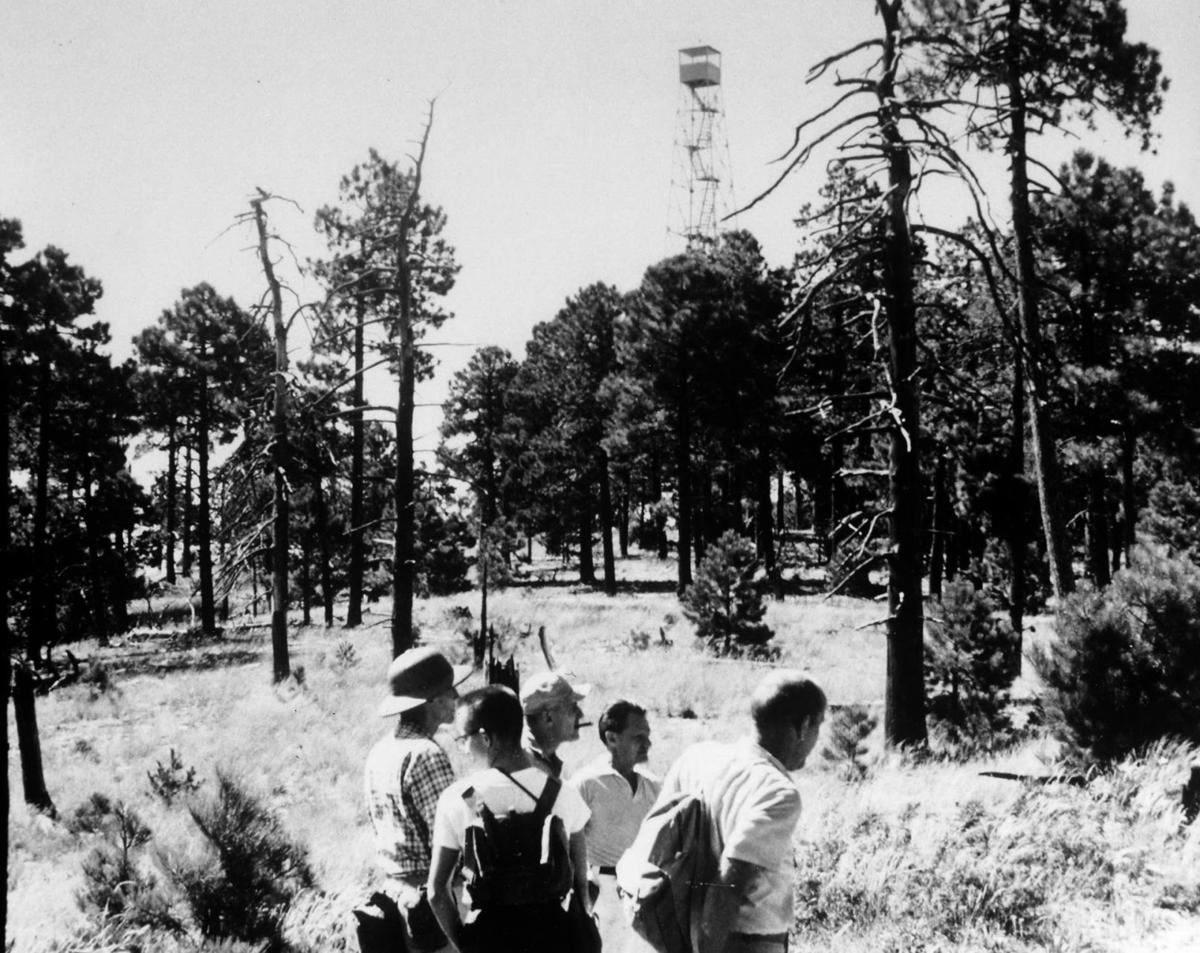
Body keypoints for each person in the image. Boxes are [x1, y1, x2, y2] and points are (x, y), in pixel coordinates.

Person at [658, 671, 825, 953]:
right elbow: (728, 888)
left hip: (679, 932)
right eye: (818, 726)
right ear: (804, 726)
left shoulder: (696, 758)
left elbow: (656, 844)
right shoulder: (778, 792)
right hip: (741, 942)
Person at [427, 685, 593, 953]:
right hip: (556, 938)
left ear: (485, 738)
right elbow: (581, 883)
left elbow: (436, 891)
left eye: (462, 739)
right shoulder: (562, 793)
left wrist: (466, 943)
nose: (463, 749)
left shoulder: (461, 798)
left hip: (490, 938)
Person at [361, 647, 466, 952]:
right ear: (430, 700)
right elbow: (454, 838)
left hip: (397, 897)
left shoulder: (380, 751)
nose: (457, 696)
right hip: (435, 901)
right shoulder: (427, 755)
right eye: (450, 691)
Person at [571, 700, 661, 953]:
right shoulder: (586, 784)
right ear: (612, 739)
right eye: (638, 737)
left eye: (648, 736)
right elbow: (568, 843)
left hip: (644, 894)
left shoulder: (654, 786)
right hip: (603, 893)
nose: (647, 744)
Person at [519, 670, 590, 779]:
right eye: (572, 708)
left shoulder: (550, 763)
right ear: (548, 717)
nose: (580, 714)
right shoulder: (524, 766)